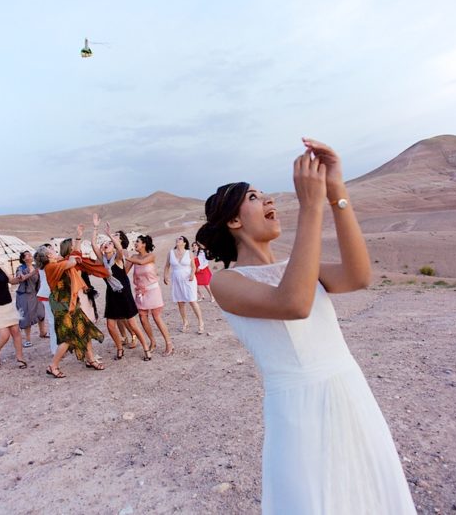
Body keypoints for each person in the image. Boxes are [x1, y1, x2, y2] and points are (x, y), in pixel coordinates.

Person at [196, 138, 416, 514]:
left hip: (350, 391)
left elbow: (358, 276)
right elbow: (294, 304)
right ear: (233, 220)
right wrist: (310, 207)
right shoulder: (226, 282)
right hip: (301, 411)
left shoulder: (293, 270)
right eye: (254, 197)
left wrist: (336, 193)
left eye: (266, 195)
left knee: (370, 494)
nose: (268, 201)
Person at [33, 230, 110, 378]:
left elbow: (73, 256)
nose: (55, 251)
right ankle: (53, 366)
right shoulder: (51, 267)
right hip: (62, 306)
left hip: (71, 303)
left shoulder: (58, 263)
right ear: (48, 256)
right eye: (52, 251)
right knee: (68, 338)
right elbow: (72, 261)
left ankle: (91, 360)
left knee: (84, 329)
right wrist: (74, 257)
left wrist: (78, 237)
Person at [90, 215, 152, 361]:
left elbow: (119, 247)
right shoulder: (102, 260)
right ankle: (119, 348)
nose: (106, 245)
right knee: (110, 325)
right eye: (105, 243)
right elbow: (93, 244)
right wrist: (95, 227)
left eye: (109, 244)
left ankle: (146, 348)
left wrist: (110, 236)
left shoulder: (118, 258)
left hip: (124, 294)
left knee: (132, 324)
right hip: (111, 294)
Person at [126, 234, 173, 356]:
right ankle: (152, 341)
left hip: (153, 290)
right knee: (142, 318)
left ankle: (169, 343)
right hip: (140, 292)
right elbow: (124, 271)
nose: (135, 243)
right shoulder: (133, 257)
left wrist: (127, 257)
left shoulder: (151, 256)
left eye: (137, 241)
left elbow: (141, 262)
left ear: (144, 244)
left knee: (156, 317)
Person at [163, 235, 204, 333]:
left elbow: (193, 266)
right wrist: (165, 276)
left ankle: (201, 323)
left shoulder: (188, 253)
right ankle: (185, 322)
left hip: (188, 279)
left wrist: (192, 274)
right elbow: (167, 266)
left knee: (192, 301)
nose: (178, 239)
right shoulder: (171, 253)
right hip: (176, 279)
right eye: (177, 238)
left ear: (185, 243)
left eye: (180, 239)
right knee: (180, 302)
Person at [15, 250, 49, 347]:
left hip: (36, 293)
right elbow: (20, 278)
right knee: (27, 316)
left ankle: (43, 332)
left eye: (30, 254)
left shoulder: (36, 266)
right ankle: (28, 339)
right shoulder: (20, 268)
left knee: (41, 313)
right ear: (23, 259)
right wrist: (32, 273)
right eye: (27, 255)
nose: (30, 256)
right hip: (25, 294)